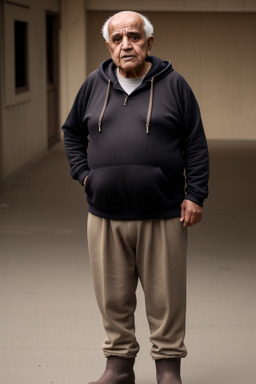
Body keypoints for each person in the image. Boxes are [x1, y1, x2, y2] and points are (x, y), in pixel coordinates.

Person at [62, 10, 209, 384]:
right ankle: (119, 368)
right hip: (105, 214)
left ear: (149, 42)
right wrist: (84, 176)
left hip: (163, 213)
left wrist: (195, 194)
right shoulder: (93, 85)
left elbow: (195, 143)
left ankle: (168, 370)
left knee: (166, 299)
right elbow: (71, 133)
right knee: (112, 297)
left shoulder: (175, 85)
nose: (126, 44)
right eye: (117, 38)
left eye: (134, 36)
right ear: (109, 45)